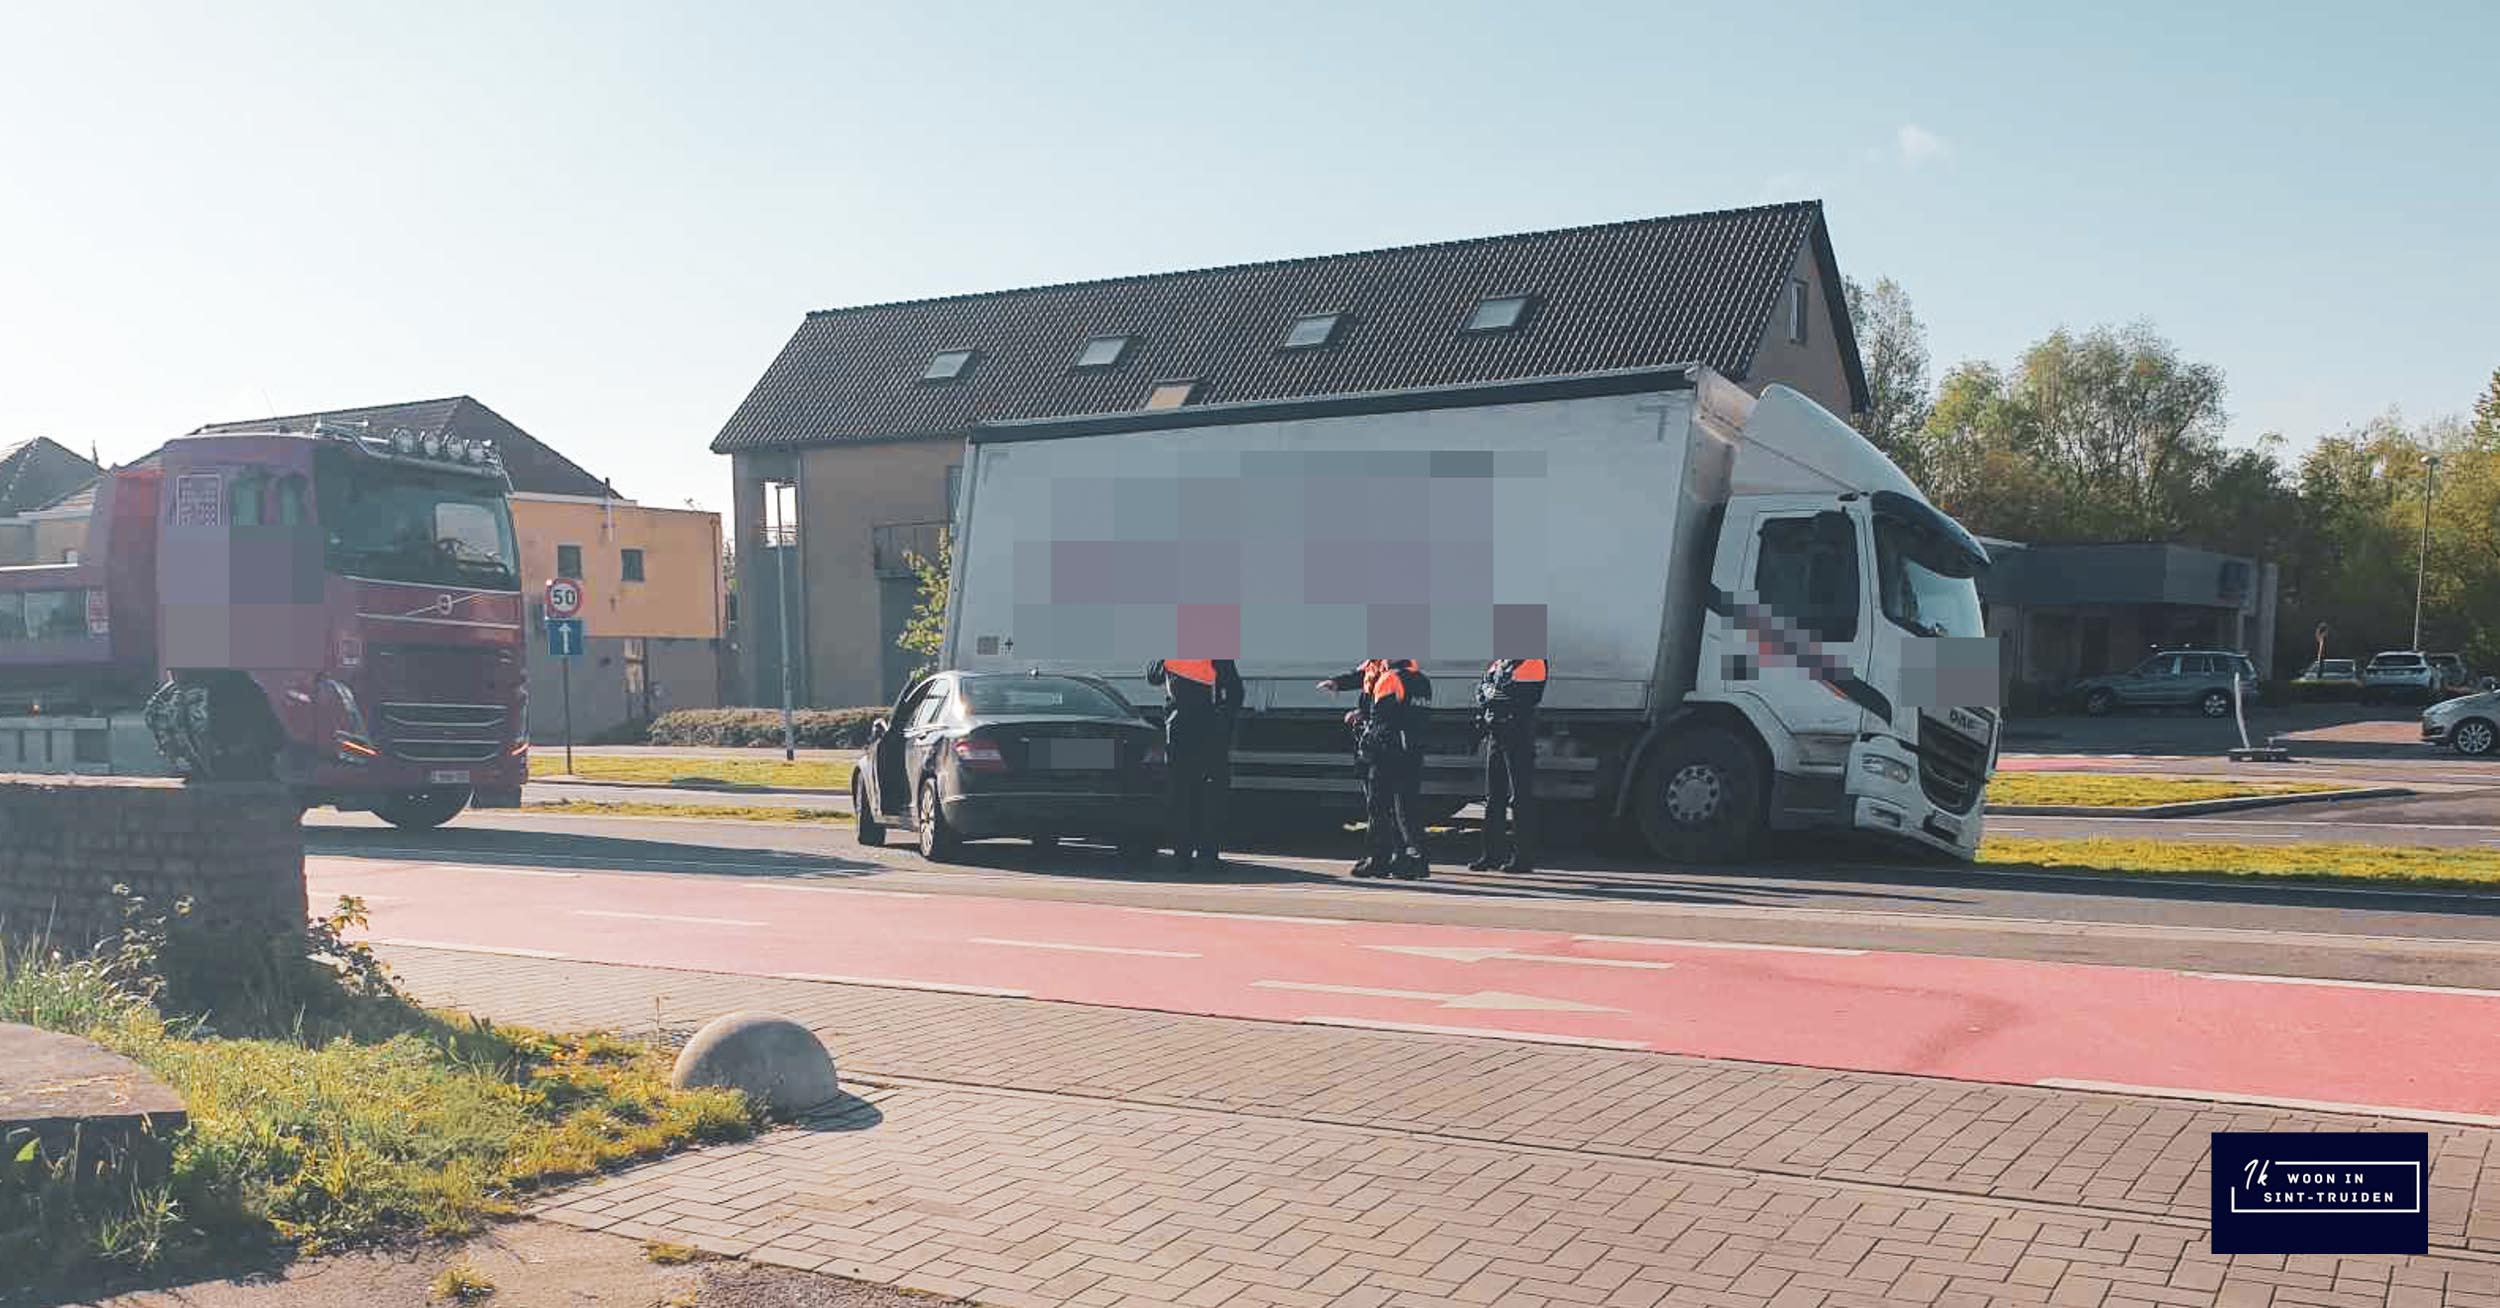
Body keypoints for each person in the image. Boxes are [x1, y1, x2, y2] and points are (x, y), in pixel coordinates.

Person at [1319, 659, 1432, 879]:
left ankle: (1378, 860)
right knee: (1406, 808)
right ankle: (1409, 860)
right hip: (1411, 750)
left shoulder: (1389, 678)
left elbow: (1383, 718)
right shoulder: (1421, 679)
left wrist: (1366, 735)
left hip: (1388, 752)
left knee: (1378, 807)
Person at [1146, 658, 1243, 871]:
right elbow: (1153, 676)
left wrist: (1222, 721)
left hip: (1198, 730)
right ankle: (1192, 853)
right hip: (1190, 730)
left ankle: (1195, 853)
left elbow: (1234, 691)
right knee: (1191, 793)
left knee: (1193, 794)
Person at [1471, 658, 1547, 872]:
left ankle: (1523, 858)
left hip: (1518, 734)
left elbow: (1522, 697)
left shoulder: (1533, 662)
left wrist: (1492, 693)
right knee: (1494, 797)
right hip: (1496, 732)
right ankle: (1491, 855)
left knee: (1520, 798)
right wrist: (1491, 693)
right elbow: (1481, 688)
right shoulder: (1500, 662)